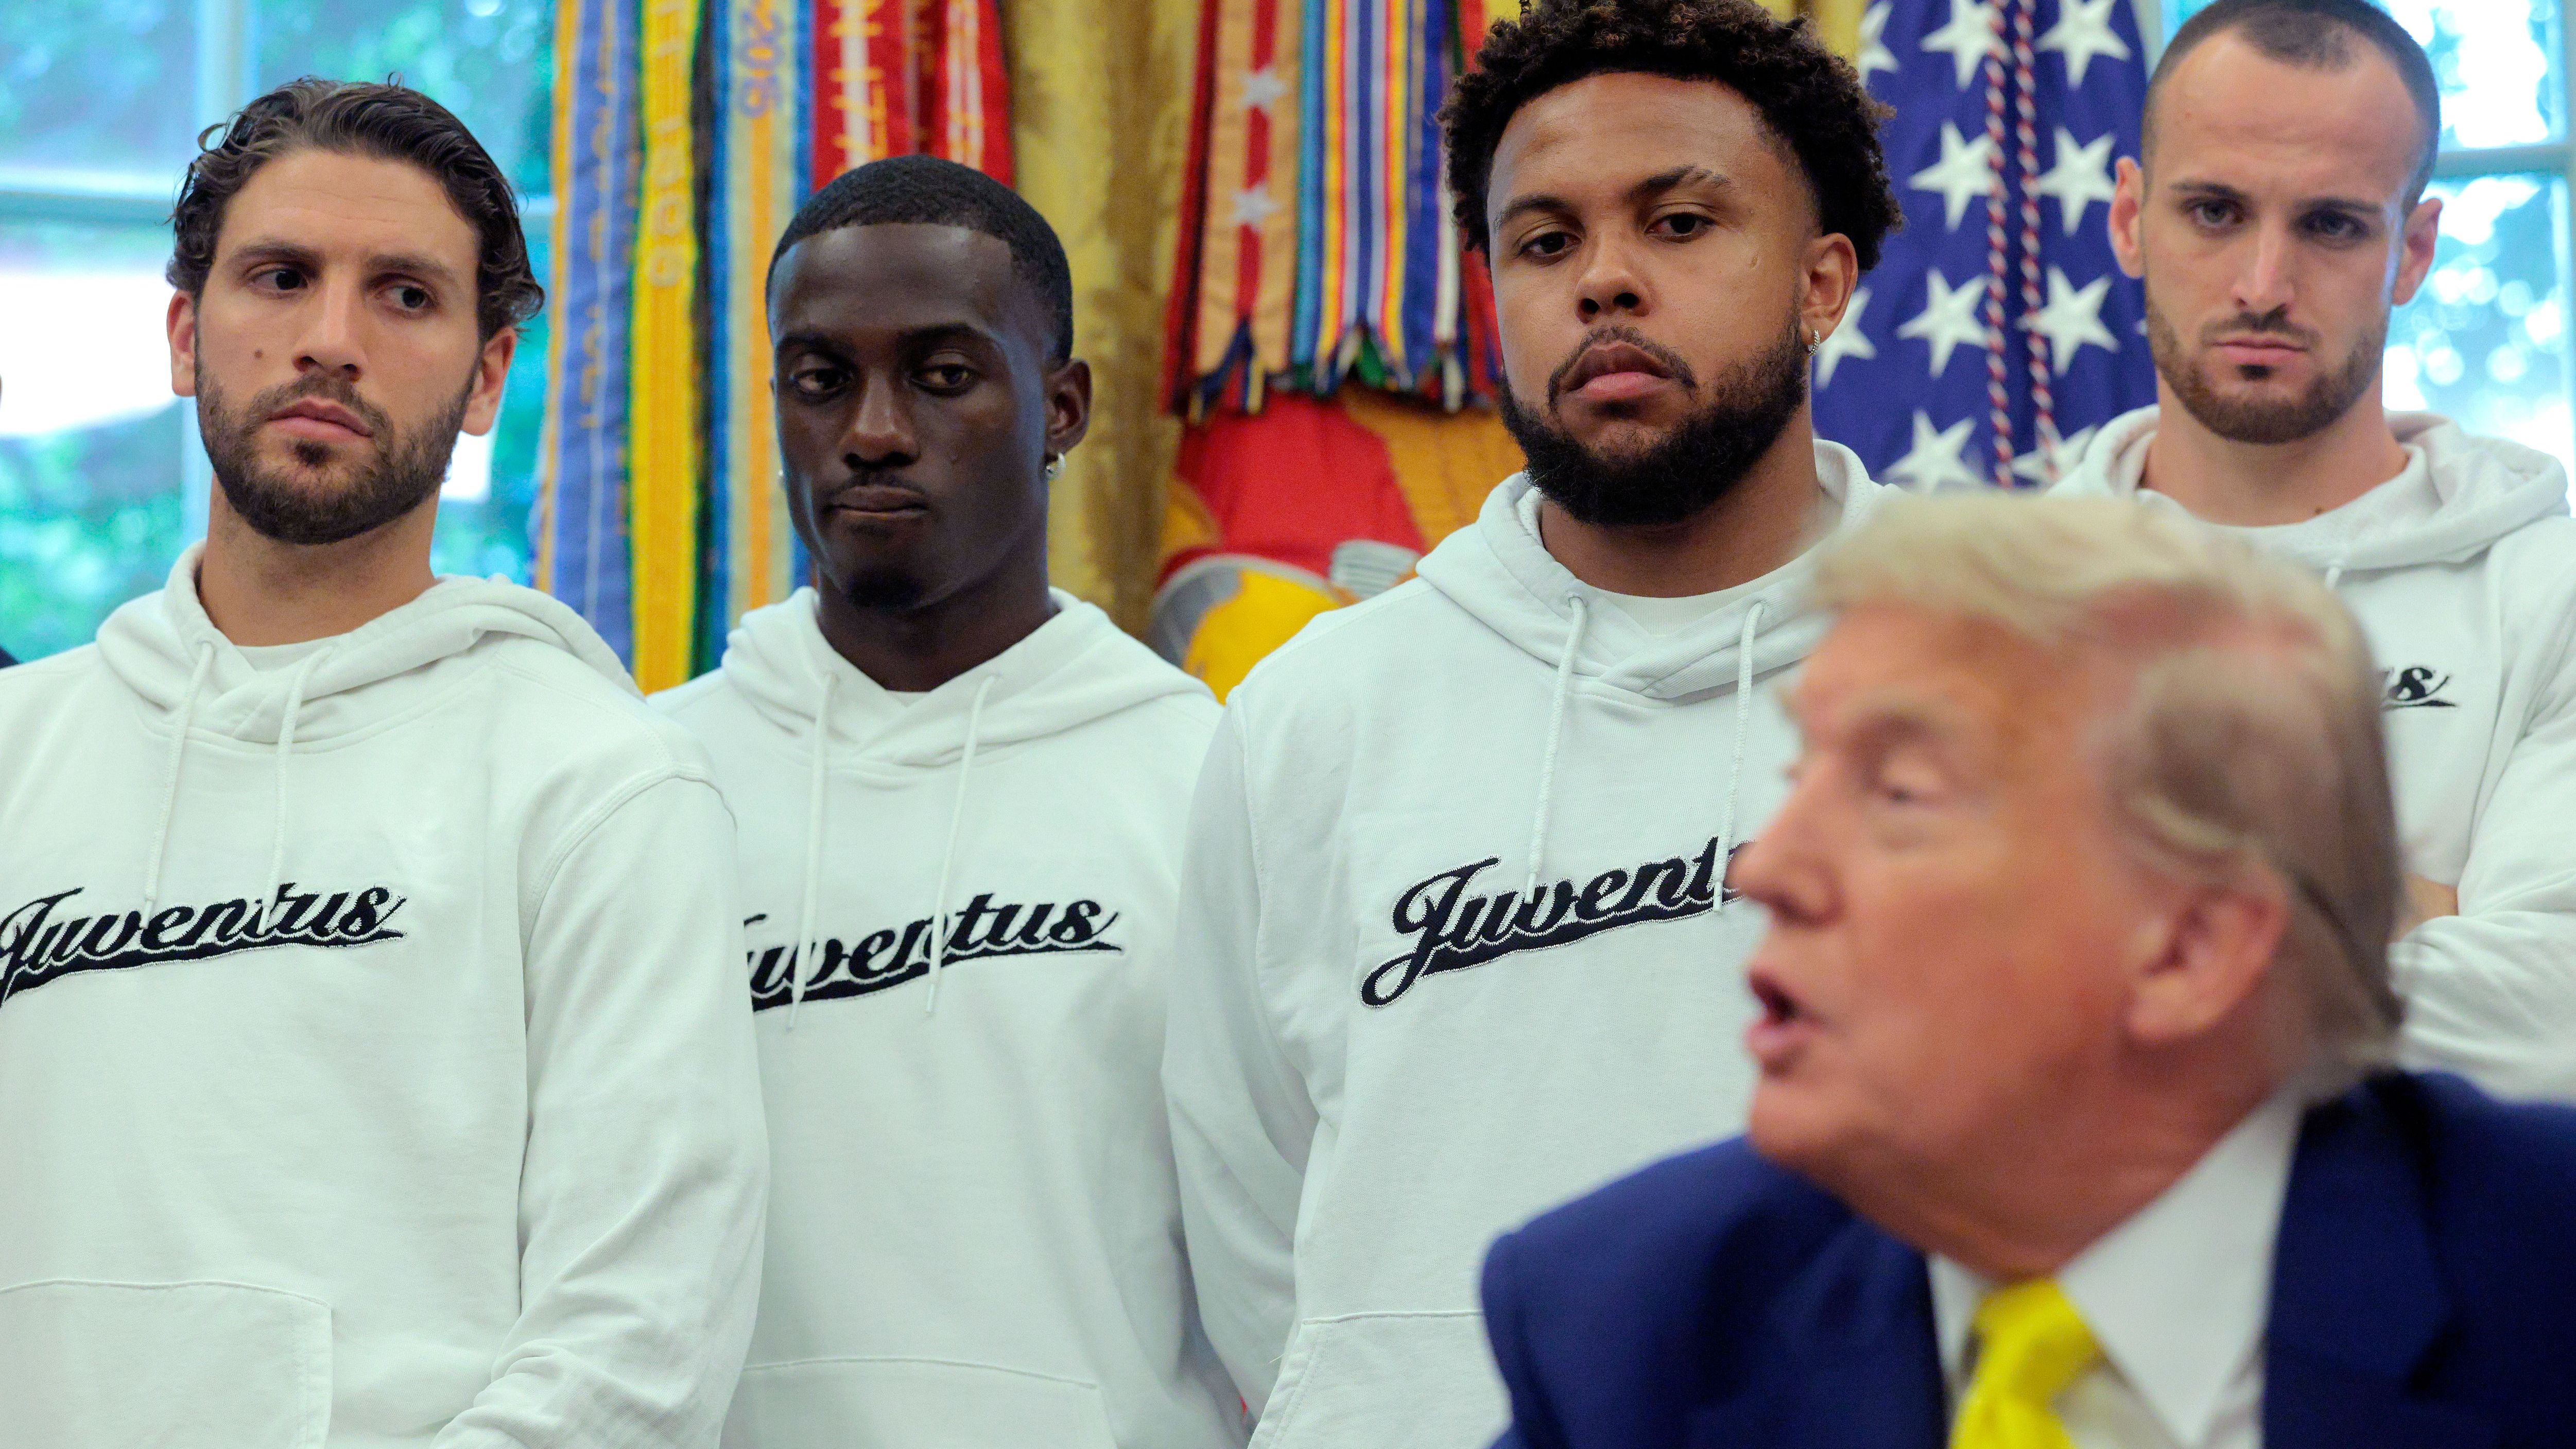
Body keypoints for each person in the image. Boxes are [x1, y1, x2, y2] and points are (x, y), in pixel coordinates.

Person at [1158, 2, 1902, 1442]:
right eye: (1545, 241)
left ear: (1822, 282)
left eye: (1679, 224)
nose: (1605, 281)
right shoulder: (1315, 712)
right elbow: (1251, 1212)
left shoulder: (2002, 678)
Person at [1478, 494, 2576, 1449]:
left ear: (2191, 949)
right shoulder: (1633, 1326)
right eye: (1802, 772)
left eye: (1899, 793)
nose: (1768, 869)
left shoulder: (2543, 1285)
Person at [0, 81, 767, 1447]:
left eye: (404, 294)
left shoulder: (601, 783)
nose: (330, 340)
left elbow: (642, 1335)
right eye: (280, 277)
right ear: (186, 333)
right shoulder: (20, 757)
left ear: (486, 376)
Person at [652, 155, 1242, 1449]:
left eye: (944, 373)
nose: (871, 429)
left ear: (1062, 407)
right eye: (821, 381)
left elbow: (1286, 1256)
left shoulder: (1212, 781)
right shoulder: (647, 787)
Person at [2055, 0, 2576, 1099]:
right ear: (2130, 220)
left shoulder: (2551, 589)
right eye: (2214, 211)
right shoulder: (2001, 600)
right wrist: (2391, 905)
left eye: (2332, 225)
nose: (2261, 285)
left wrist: (2127, 935)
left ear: (2414, 250)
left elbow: (2553, 1025)